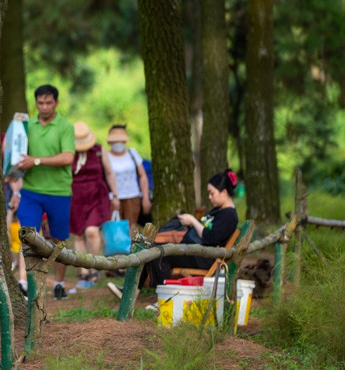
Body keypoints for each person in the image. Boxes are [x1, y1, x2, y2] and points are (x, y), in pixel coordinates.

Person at [111, 169, 239, 298]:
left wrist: (193, 221)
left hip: (205, 257)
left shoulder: (229, 215)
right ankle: (131, 292)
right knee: (150, 249)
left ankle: (163, 298)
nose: (210, 197)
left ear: (224, 192)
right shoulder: (218, 210)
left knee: (160, 254)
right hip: (195, 251)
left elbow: (211, 238)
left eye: (212, 193)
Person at [12, 84, 75, 300]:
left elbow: (68, 157)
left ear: (56, 103)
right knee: (28, 235)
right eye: (40, 103)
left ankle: (59, 284)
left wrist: (36, 161)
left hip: (59, 191)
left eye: (49, 103)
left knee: (59, 239)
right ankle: (24, 282)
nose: (44, 107)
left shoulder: (65, 126)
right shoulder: (27, 125)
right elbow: (15, 151)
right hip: (31, 190)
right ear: (36, 103)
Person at [69, 122, 118, 288]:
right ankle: (83, 270)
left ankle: (94, 267)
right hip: (75, 197)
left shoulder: (98, 150)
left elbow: (109, 173)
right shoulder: (68, 152)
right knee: (78, 234)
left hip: (96, 195)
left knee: (91, 231)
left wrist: (115, 195)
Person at [105, 125, 151, 234]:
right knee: (116, 230)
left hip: (132, 197)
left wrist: (145, 197)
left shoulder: (132, 153)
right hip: (113, 199)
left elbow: (142, 176)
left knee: (132, 228)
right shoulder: (106, 156)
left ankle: (131, 245)